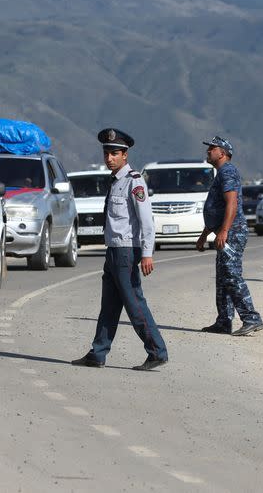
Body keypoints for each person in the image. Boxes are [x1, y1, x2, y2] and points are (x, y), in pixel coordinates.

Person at [72, 128, 168, 371]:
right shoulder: (116, 181)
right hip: (113, 250)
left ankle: (157, 350)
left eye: (114, 153)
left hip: (126, 251)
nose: (109, 158)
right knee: (110, 306)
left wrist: (147, 253)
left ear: (125, 155)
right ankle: (98, 352)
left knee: (135, 304)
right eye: (106, 153)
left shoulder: (134, 181)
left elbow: (146, 220)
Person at [196, 136, 263, 336]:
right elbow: (215, 210)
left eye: (212, 148)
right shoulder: (221, 173)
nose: (208, 151)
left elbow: (231, 203)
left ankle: (252, 318)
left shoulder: (228, 171)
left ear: (223, 153)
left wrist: (225, 231)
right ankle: (224, 321)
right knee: (223, 278)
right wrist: (204, 235)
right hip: (224, 231)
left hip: (232, 232)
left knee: (232, 275)